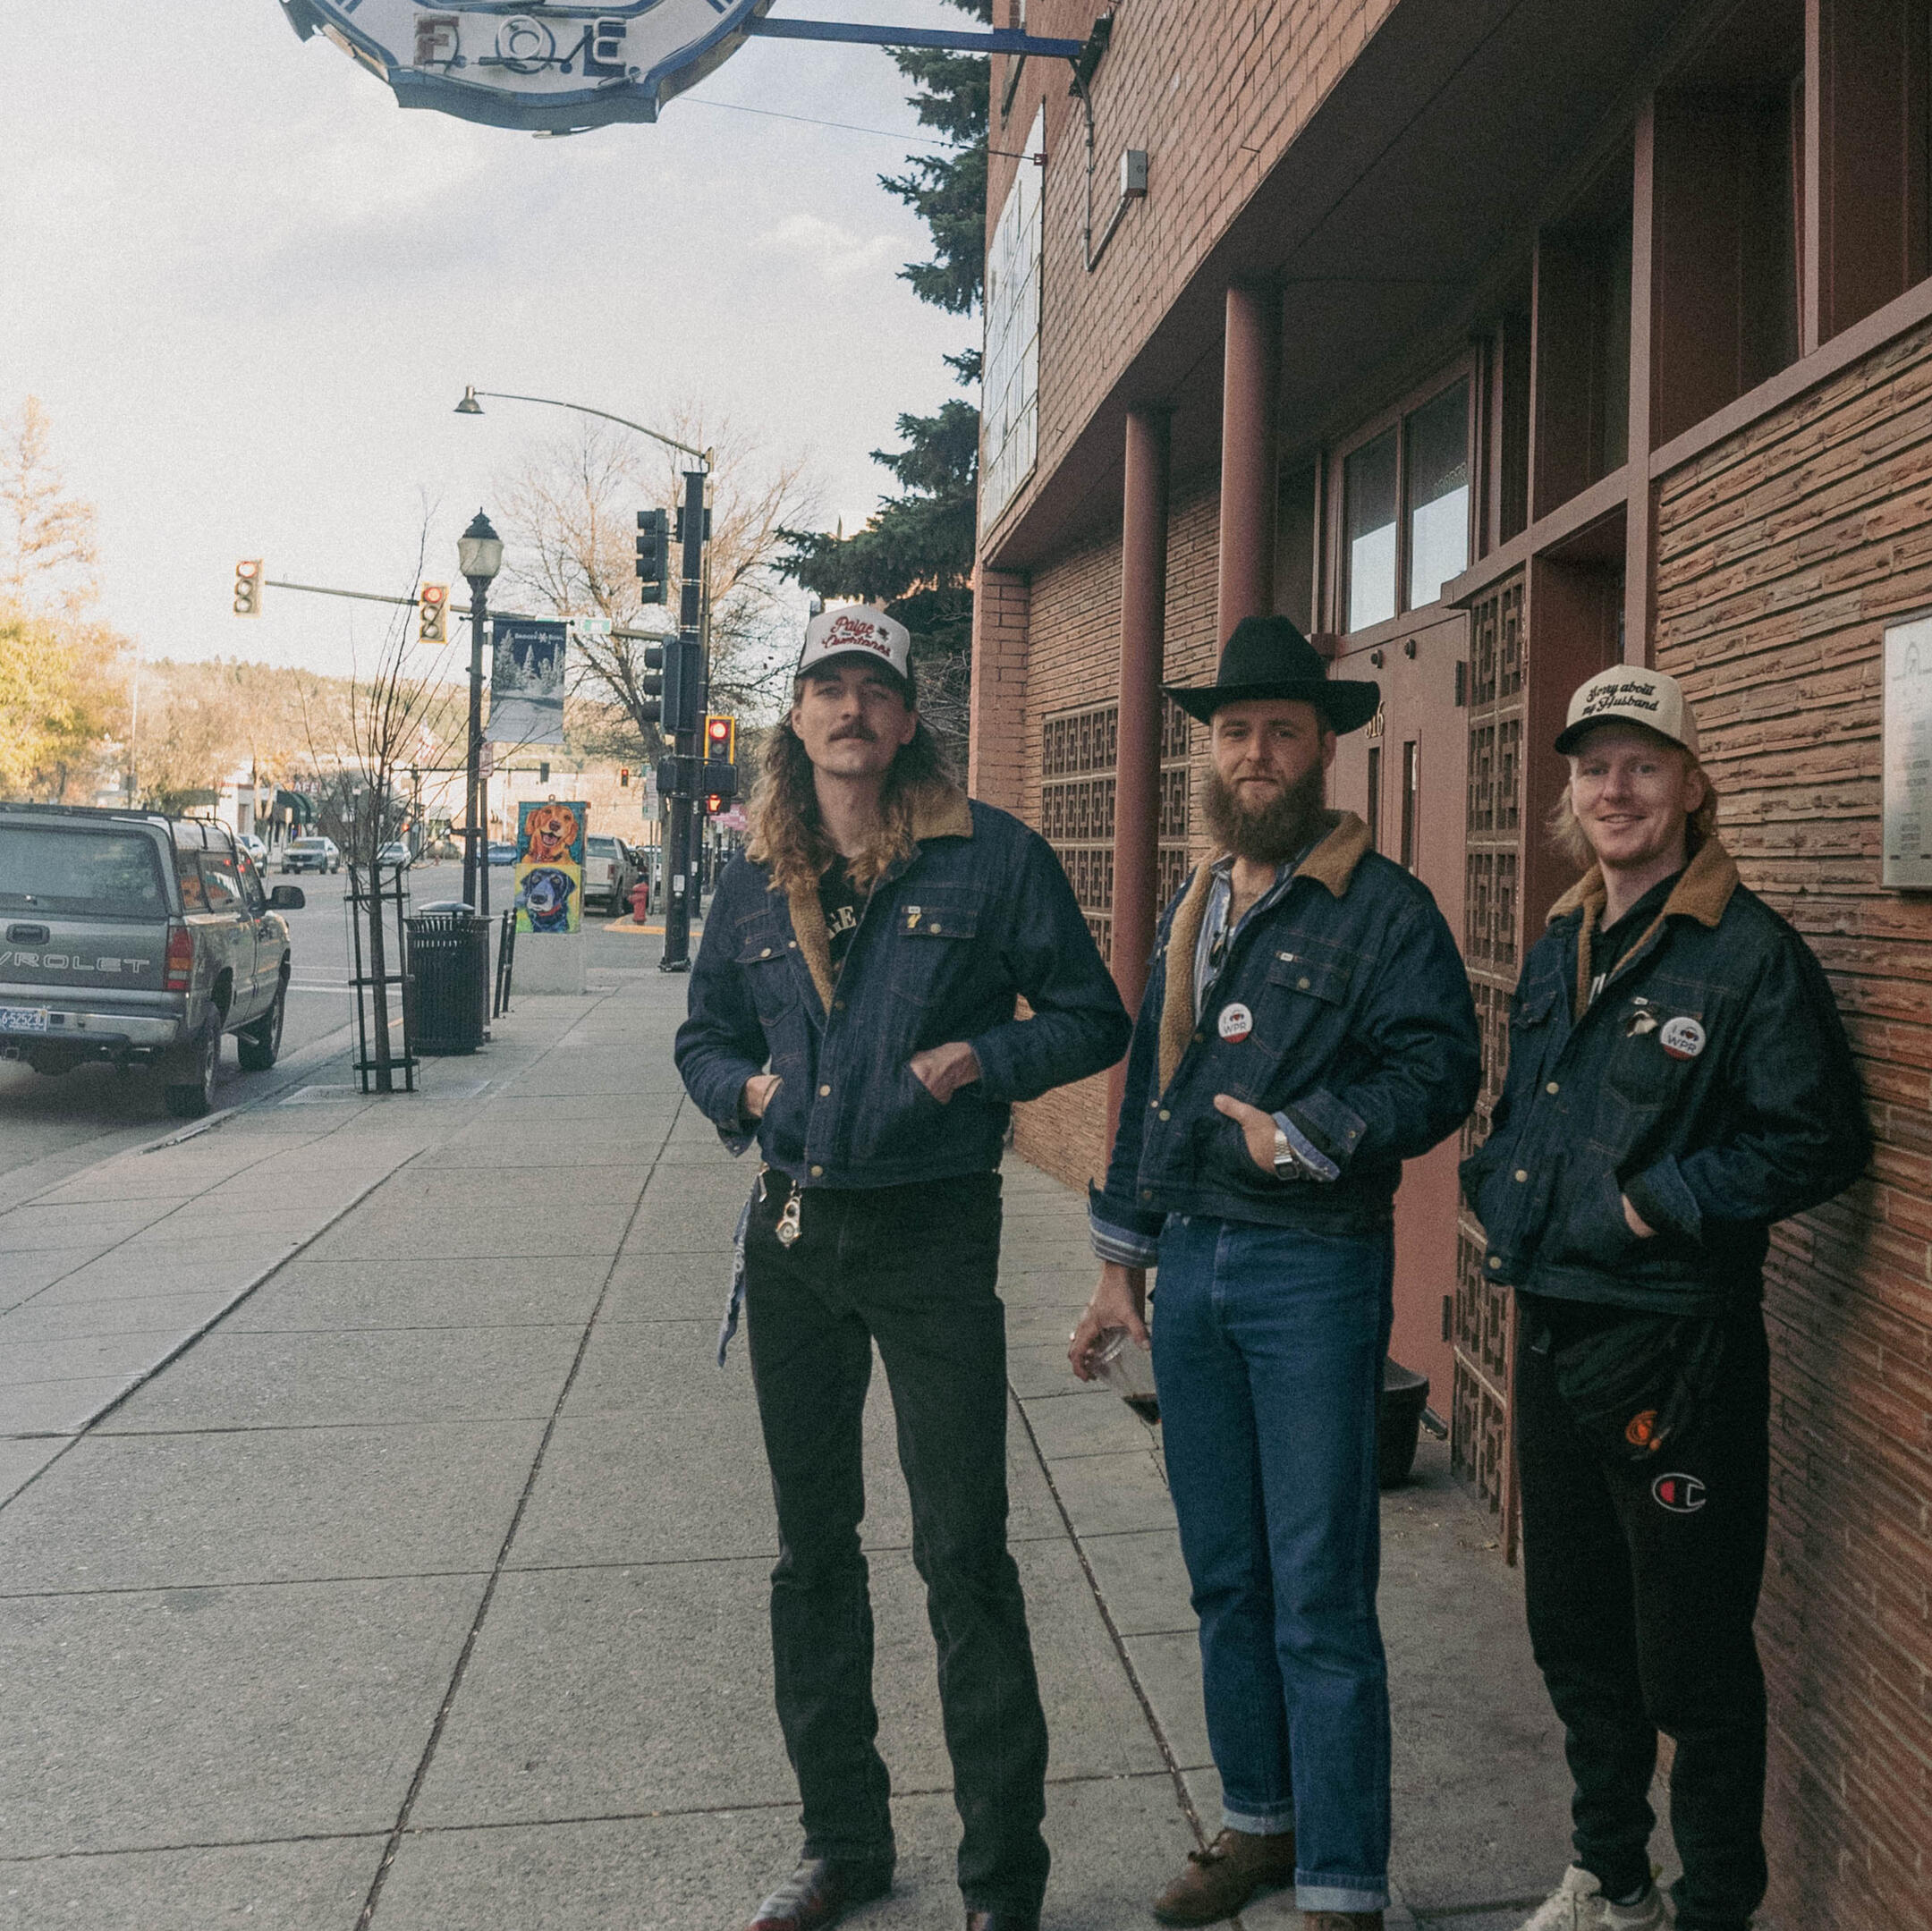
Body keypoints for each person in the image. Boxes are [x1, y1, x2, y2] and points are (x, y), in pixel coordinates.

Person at [676, 606, 1132, 1931]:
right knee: (812, 1552)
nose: (851, 710)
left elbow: (1094, 1016)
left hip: (935, 1233)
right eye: (828, 686)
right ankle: (844, 1843)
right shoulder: (756, 873)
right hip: (800, 1237)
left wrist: (984, 1059)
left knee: (963, 1553)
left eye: (875, 689)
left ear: (908, 713)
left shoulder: (991, 860)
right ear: (798, 714)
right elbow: (703, 1034)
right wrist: (747, 1092)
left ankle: (1004, 1881)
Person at [1071, 615, 1481, 1931]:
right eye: (1237, 730)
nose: (1258, 751)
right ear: (1212, 748)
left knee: (1316, 1587)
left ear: (1323, 750)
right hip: (1192, 1273)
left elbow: (1441, 1071)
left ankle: (1344, 1884)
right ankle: (1260, 1823)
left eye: (1283, 731)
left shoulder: (1385, 910)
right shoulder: (1199, 903)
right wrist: (1118, 1268)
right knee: (1225, 1576)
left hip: (1313, 1271)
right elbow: (1152, 1092)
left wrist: (1306, 1135)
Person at [1461, 666, 1869, 1931]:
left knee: (1688, 1660)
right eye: (1594, 768)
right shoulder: (1562, 939)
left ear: (1692, 786)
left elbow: (1818, 1141)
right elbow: (1535, 1107)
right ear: (1572, 795)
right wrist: (1498, 1183)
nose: (1616, 788)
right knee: (1575, 1634)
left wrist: (1657, 1202)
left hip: (1678, 1349)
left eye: (1644, 764)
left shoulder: (1747, 952)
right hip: (1557, 1322)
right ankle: (1613, 1877)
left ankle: (1717, 1909)